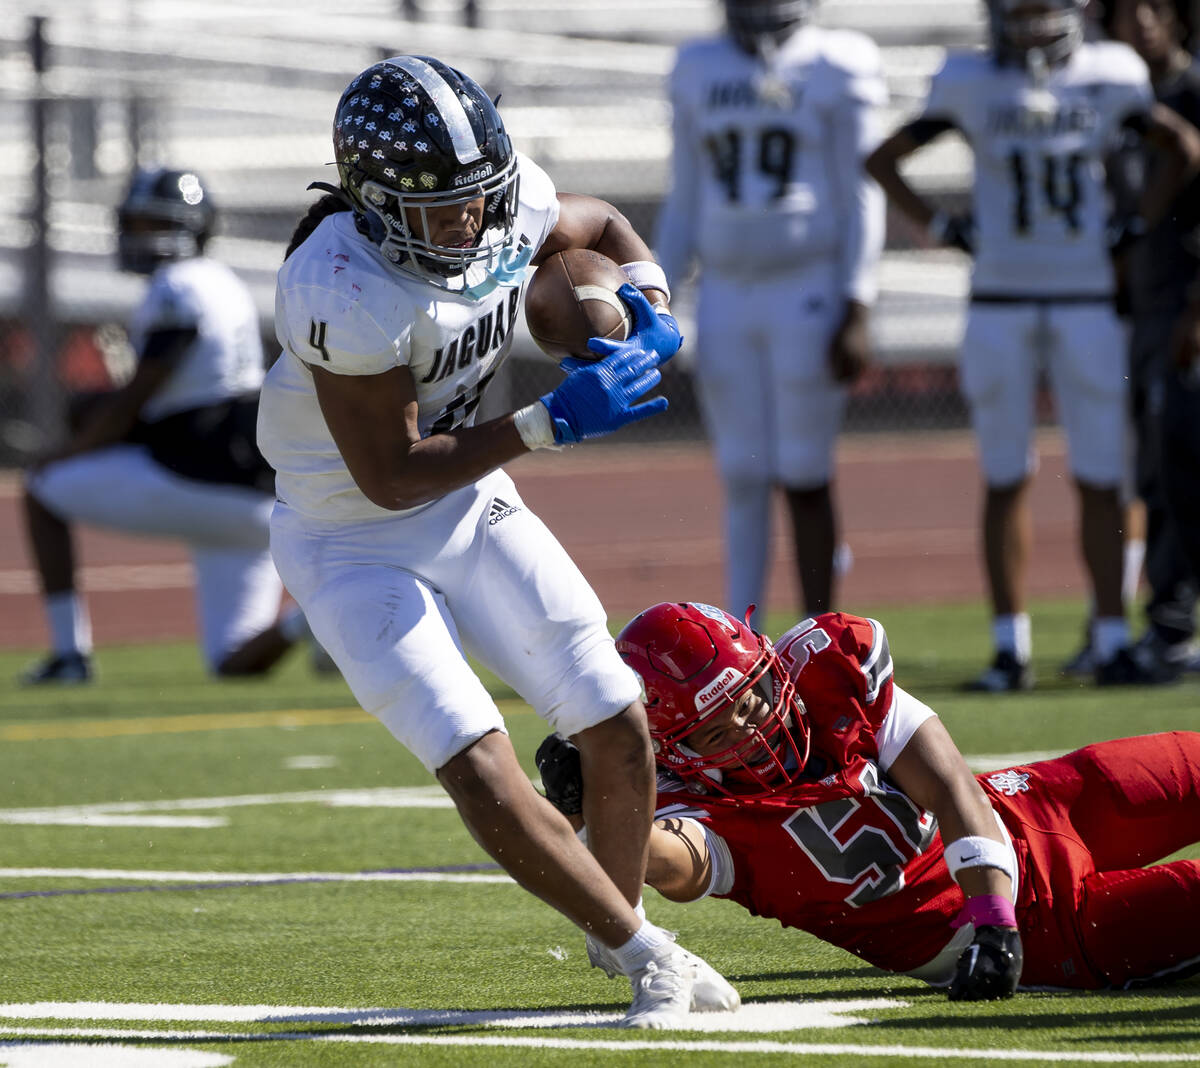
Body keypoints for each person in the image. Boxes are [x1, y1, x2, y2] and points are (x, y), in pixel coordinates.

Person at [256, 55, 740, 1029]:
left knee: (616, 718)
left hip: (466, 501)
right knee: (475, 754)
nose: (471, 224)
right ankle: (651, 957)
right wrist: (544, 424)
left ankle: (616, 928)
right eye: (442, 210)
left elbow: (596, 225)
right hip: (350, 536)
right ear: (377, 203)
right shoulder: (339, 284)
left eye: (482, 200)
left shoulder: (497, 202)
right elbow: (387, 474)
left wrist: (645, 297)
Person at [536, 602, 1200, 996]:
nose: (753, 725)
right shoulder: (706, 817)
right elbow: (663, 860)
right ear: (675, 749)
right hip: (1050, 928)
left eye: (756, 696)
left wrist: (989, 911)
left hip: (1040, 807)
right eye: (718, 727)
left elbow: (948, 785)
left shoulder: (831, 674)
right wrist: (597, 806)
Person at [865, 0, 1200, 690]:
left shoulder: (1110, 72)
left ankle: (1109, 636)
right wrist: (944, 227)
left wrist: (1134, 231)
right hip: (1002, 298)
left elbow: (1183, 147)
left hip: (1083, 298)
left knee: (1102, 471)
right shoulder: (970, 80)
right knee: (1005, 472)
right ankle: (1009, 646)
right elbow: (884, 158)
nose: (1026, 22)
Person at [19, 166, 321, 685]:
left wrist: (71, 450)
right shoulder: (222, 280)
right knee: (229, 663)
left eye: (146, 223)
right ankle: (311, 620)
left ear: (183, 226)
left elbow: (141, 393)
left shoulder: (176, 285)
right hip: (260, 491)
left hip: (199, 475)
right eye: (133, 223)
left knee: (42, 492)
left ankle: (69, 655)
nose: (134, 236)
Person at [653, 0, 886, 626]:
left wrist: (857, 298)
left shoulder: (837, 61)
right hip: (727, 292)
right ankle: (743, 635)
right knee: (741, 475)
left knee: (806, 473)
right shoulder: (698, 64)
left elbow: (863, 187)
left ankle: (825, 636)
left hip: (807, 289)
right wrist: (655, 292)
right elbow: (687, 192)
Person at [1100, 0, 1200, 678]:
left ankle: (1172, 625)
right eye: (1125, 9)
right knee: (1157, 468)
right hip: (1147, 306)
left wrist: (1196, 311)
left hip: (1184, 309)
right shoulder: (1115, 96)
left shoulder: (1192, 94)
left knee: (1182, 466)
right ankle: (1167, 621)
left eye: (1154, 6)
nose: (1141, 21)